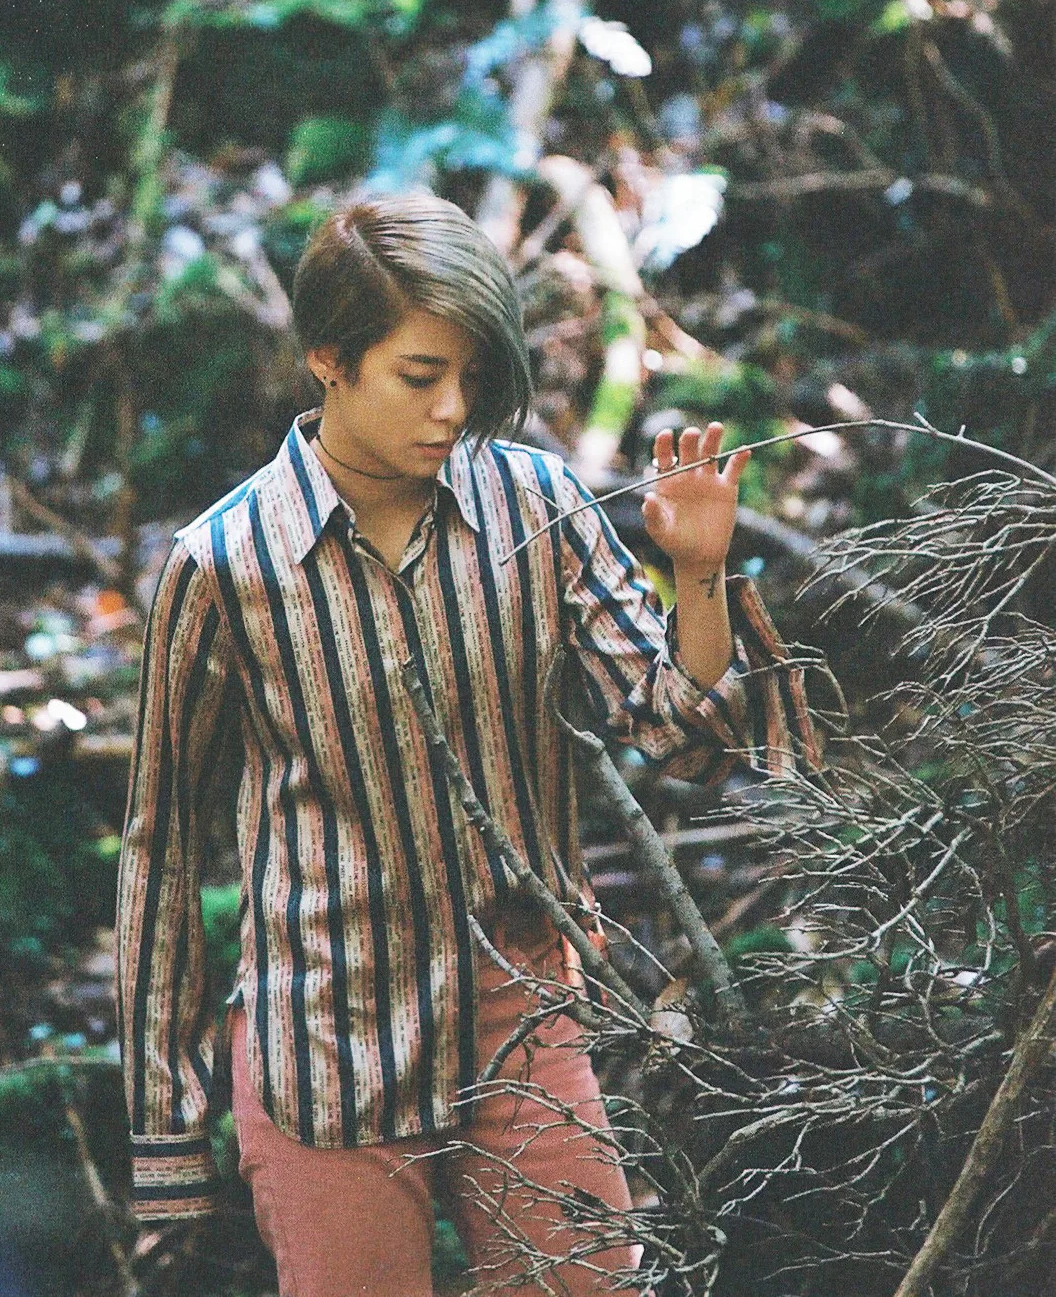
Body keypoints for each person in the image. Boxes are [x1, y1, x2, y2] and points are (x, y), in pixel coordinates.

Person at [115, 191, 821, 1296]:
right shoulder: (224, 565)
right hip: (325, 1036)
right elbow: (159, 849)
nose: (452, 408)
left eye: (472, 377)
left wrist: (696, 575)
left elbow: (681, 741)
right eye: (419, 375)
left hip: (520, 1011)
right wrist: (167, 1134)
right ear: (329, 359)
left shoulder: (537, 506)